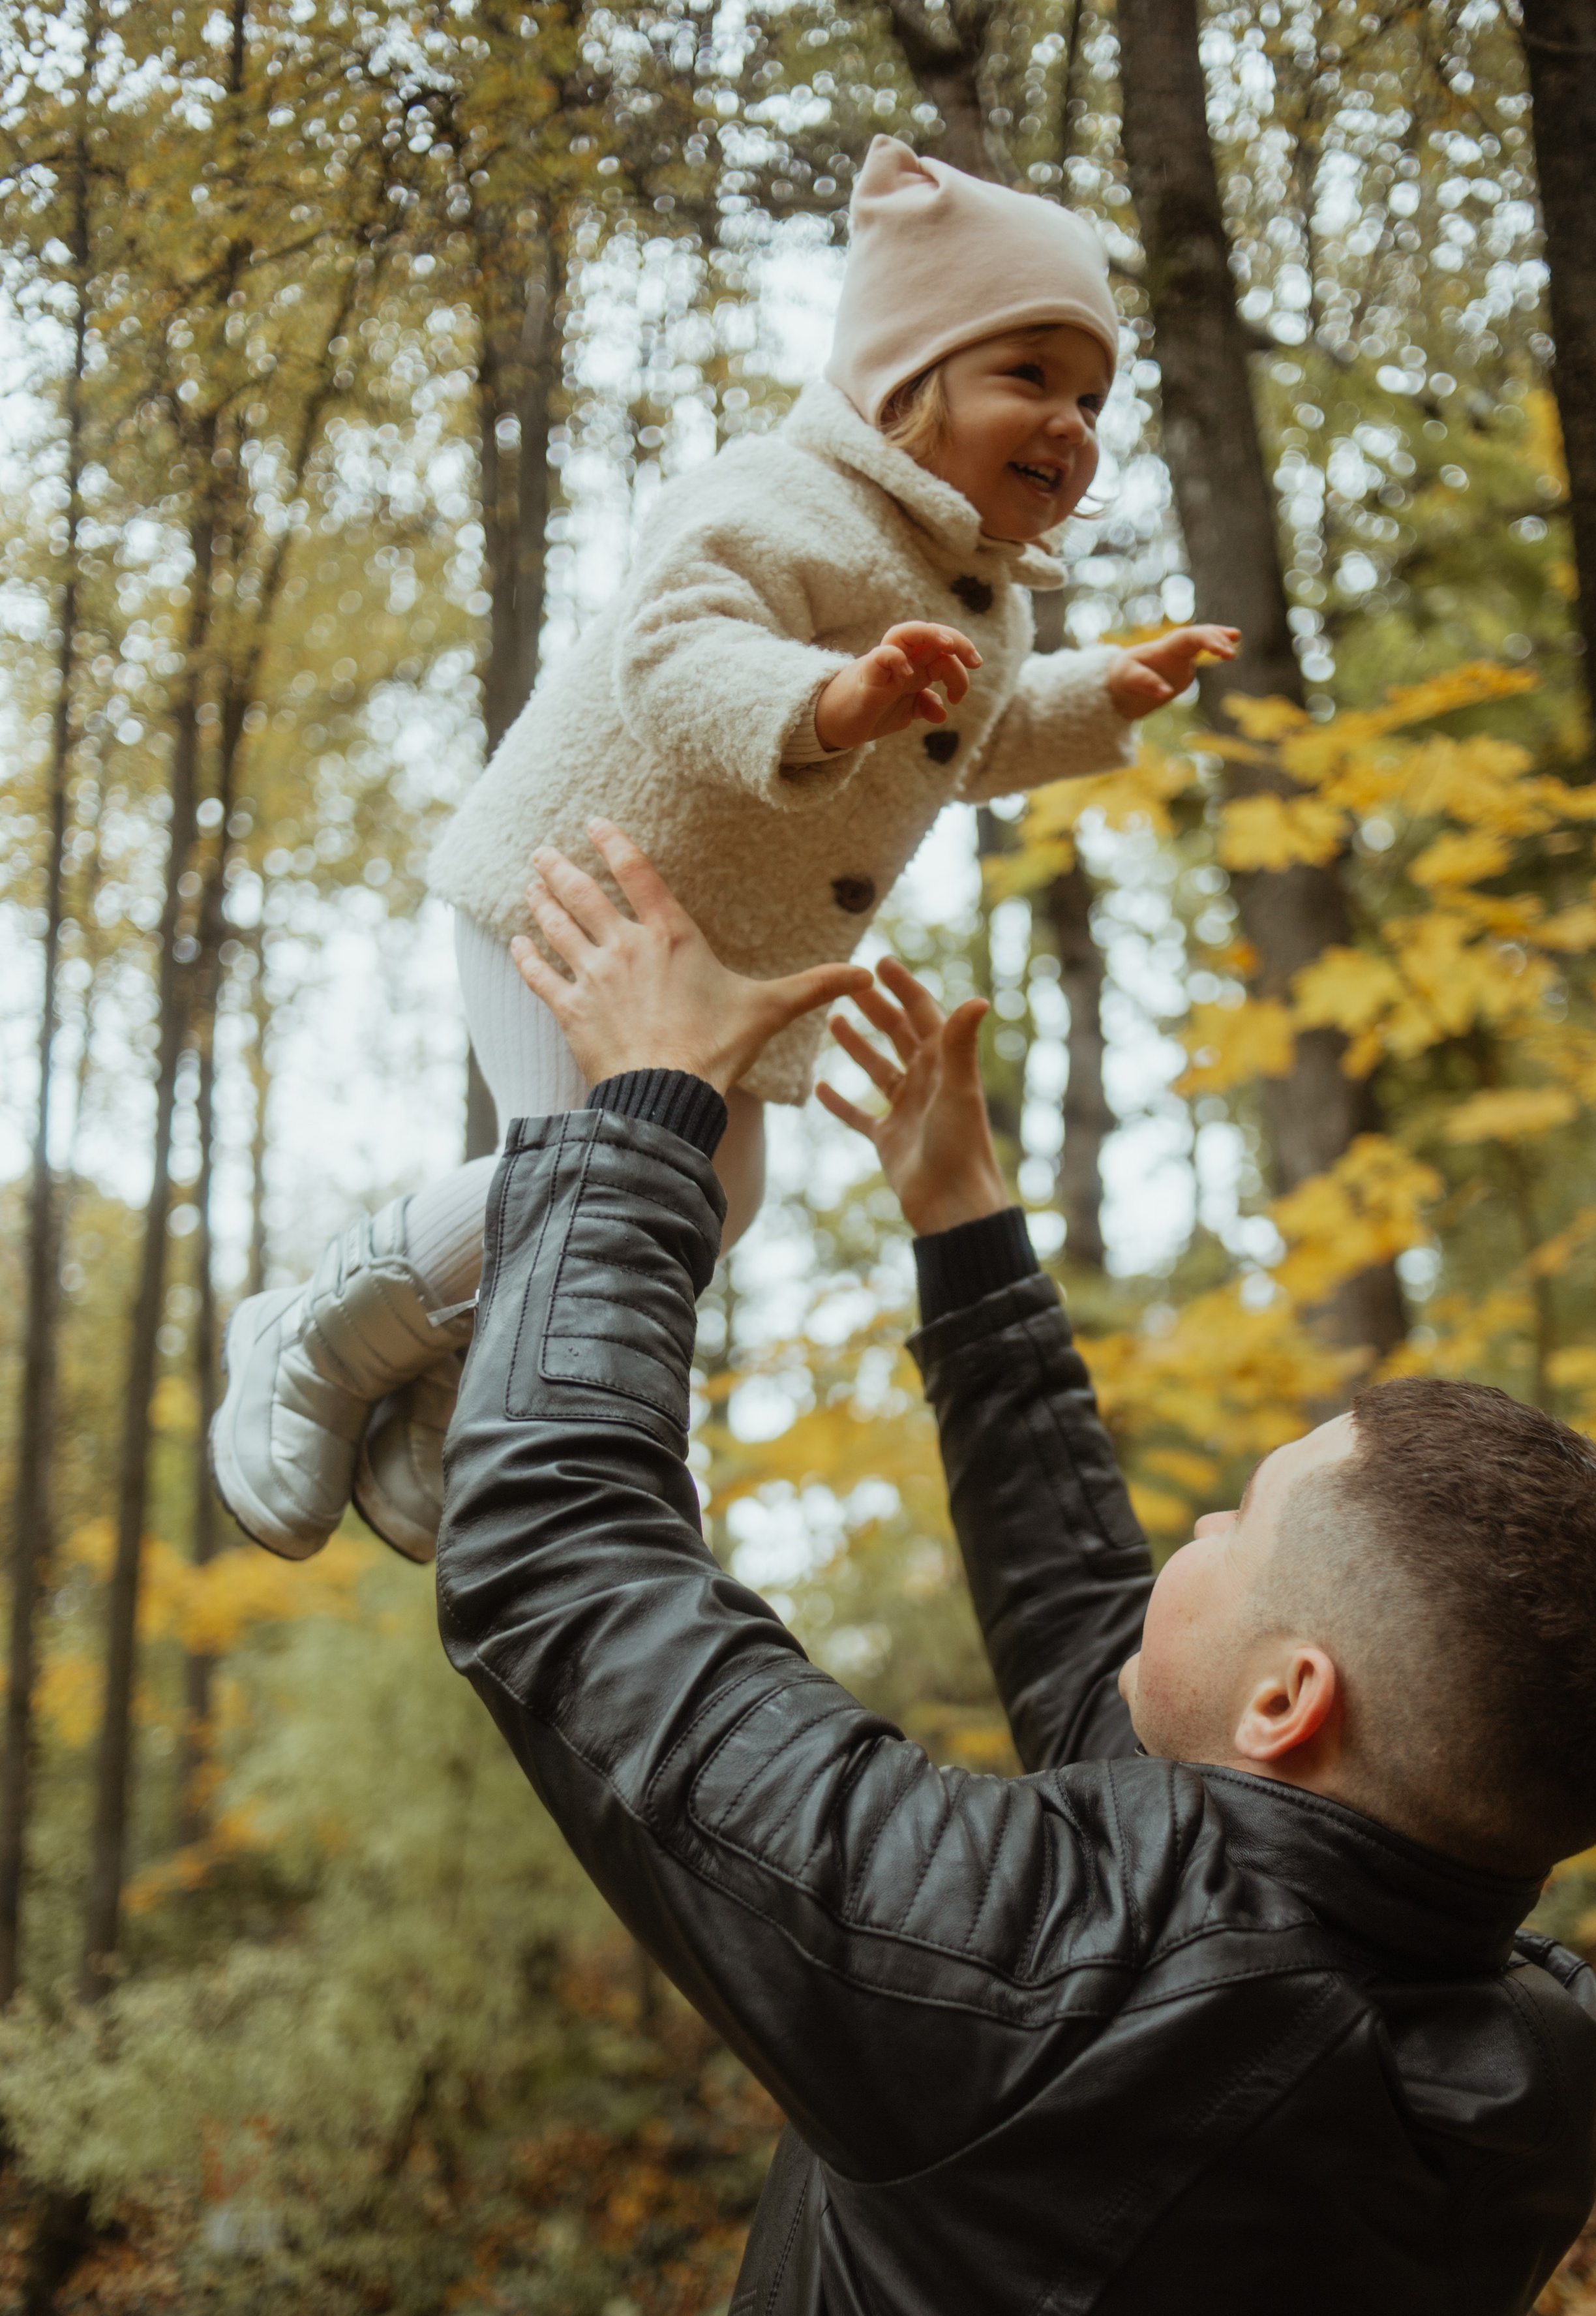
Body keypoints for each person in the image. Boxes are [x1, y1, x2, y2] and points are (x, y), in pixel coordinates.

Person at [435, 823, 1596, 2316]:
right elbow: (1130, 1694)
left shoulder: (1046, 1994)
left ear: (1291, 1701)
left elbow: (555, 1555)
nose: (1192, 1543)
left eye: (1235, 1524)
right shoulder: (1517, 2040)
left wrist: (644, 1116)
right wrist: (963, 1227)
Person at [209, 130, 1238, 1571]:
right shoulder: (779, 494)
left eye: (1089, 396)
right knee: (586, 1162)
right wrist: (830, 699)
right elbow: (672, 652)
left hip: (723, 970)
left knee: (707, 1204)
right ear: (902, 377)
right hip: (574, 894)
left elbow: (966, 740)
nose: (1070, 423)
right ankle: (312, 1337)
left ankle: (447, 1389)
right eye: (1028, 377)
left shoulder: (988, 607)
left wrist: (1100, 692)